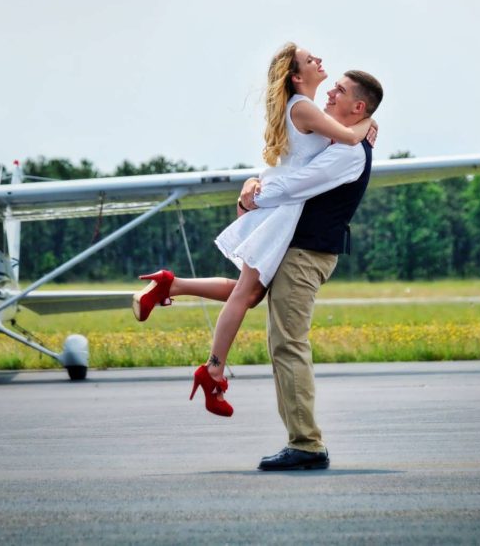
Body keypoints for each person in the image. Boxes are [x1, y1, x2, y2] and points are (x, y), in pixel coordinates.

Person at [133, 43, 377, 418]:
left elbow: (310, 154)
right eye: (312, 61)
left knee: (249, 293)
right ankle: (213, 368)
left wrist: (255, 186)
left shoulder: (302, 110)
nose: (322, 67)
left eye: (341, 90)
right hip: (279, 211)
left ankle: (173, 285)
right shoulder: (304, 106)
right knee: (245, 294)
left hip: (281, 211)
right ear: (296, 76)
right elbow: (345, 140)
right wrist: (367, 124)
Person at [245, 68, 383, 470]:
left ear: (357, 107)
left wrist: (255, 195)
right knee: (282, 343)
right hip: (302, 251)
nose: (330, 93)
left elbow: (295, 184)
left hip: (306, 254)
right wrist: (253, 180)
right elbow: (290, 170)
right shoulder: (339, 139)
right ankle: (302, 440)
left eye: (338, 91)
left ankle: (306, 444)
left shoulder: (348, 151)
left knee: (288, 344)